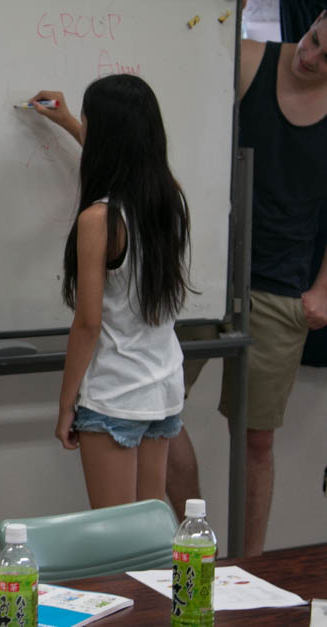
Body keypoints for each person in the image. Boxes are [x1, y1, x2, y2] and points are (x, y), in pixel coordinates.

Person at [167, 9, 327, 556]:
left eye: (326, 59)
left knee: (256, 439)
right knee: (155, 411)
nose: (310, 57)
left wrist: (323, 290)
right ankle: (198, 543)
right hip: (208, 274)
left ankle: (251, 570)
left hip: (281, 286)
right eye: (313, 40)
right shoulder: (250, 60)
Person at [30, 75, 192, 509]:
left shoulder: (99, 220)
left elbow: (87, 324)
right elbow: (126, 155)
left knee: (118, 547)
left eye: (87, 121)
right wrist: (68, 122)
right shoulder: (169, 201)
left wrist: (66, 406)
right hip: (161, 392)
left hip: (114, 396)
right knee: (147, 541)